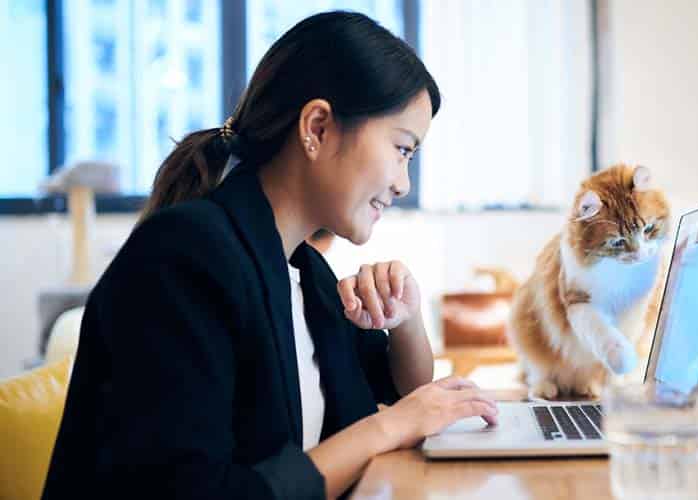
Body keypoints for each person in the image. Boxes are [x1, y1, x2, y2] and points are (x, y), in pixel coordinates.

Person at [42, 11, 497, 500]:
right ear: (318, 127)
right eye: (402, 149)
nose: (403, 184)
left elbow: (399, 388)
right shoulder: (182, 258)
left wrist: (404, 318)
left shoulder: (303, 268)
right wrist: (386, 430)